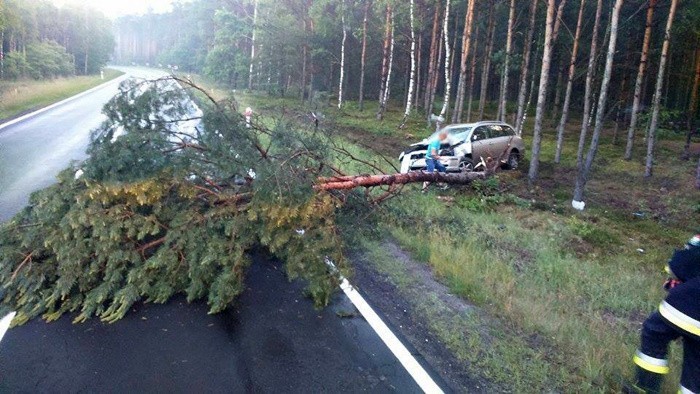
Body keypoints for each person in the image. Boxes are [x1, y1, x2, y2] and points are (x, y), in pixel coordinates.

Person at [630, 234, 700, 393]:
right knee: (696, 364)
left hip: (690, 303)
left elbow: (677, 266)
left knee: (654, 332)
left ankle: (645, 387)